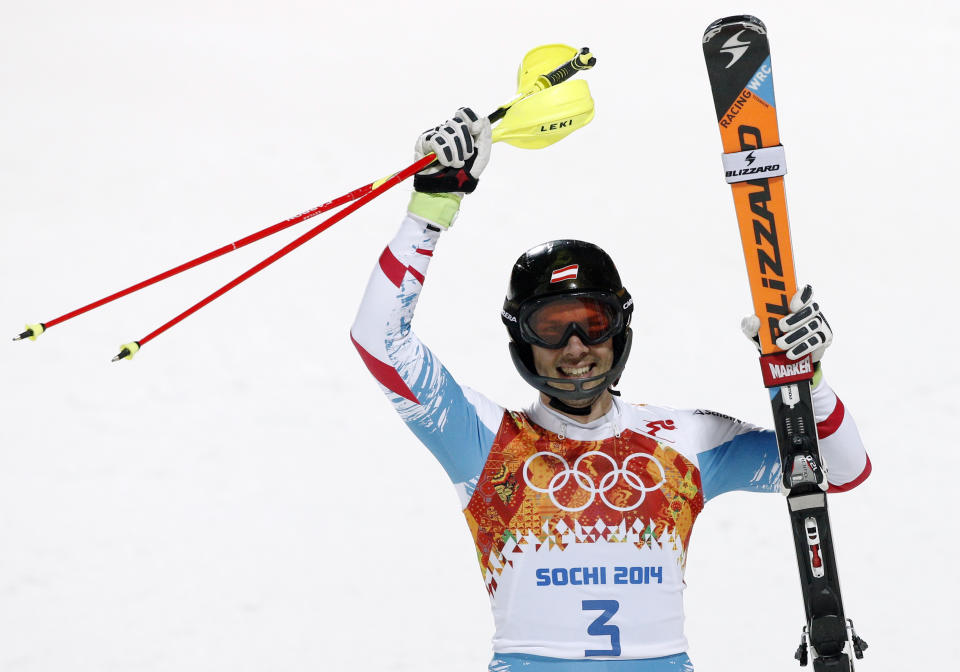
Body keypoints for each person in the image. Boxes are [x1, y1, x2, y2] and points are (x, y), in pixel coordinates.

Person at [350, 109, 870, 671]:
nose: (575, 347)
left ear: (618, 329)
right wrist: (432, 207)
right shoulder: (485, 442)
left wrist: (809, 379)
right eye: (551, 328)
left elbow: (840, 470)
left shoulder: (683, 441)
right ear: (520, 340)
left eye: (591, 323)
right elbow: (379, 340)